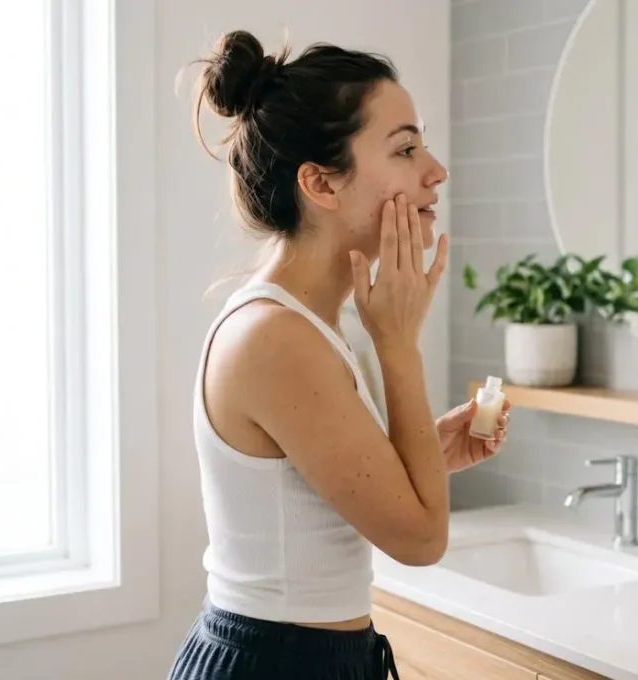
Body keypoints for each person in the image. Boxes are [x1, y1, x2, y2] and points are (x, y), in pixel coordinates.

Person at [167, 30, 512, 680]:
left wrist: (427, 453)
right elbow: (420, 541)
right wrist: (398, 344)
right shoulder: (275, 338)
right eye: (405, 148)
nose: (436, 170)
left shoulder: (310, 325)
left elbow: (310, 493)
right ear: (321, 182)